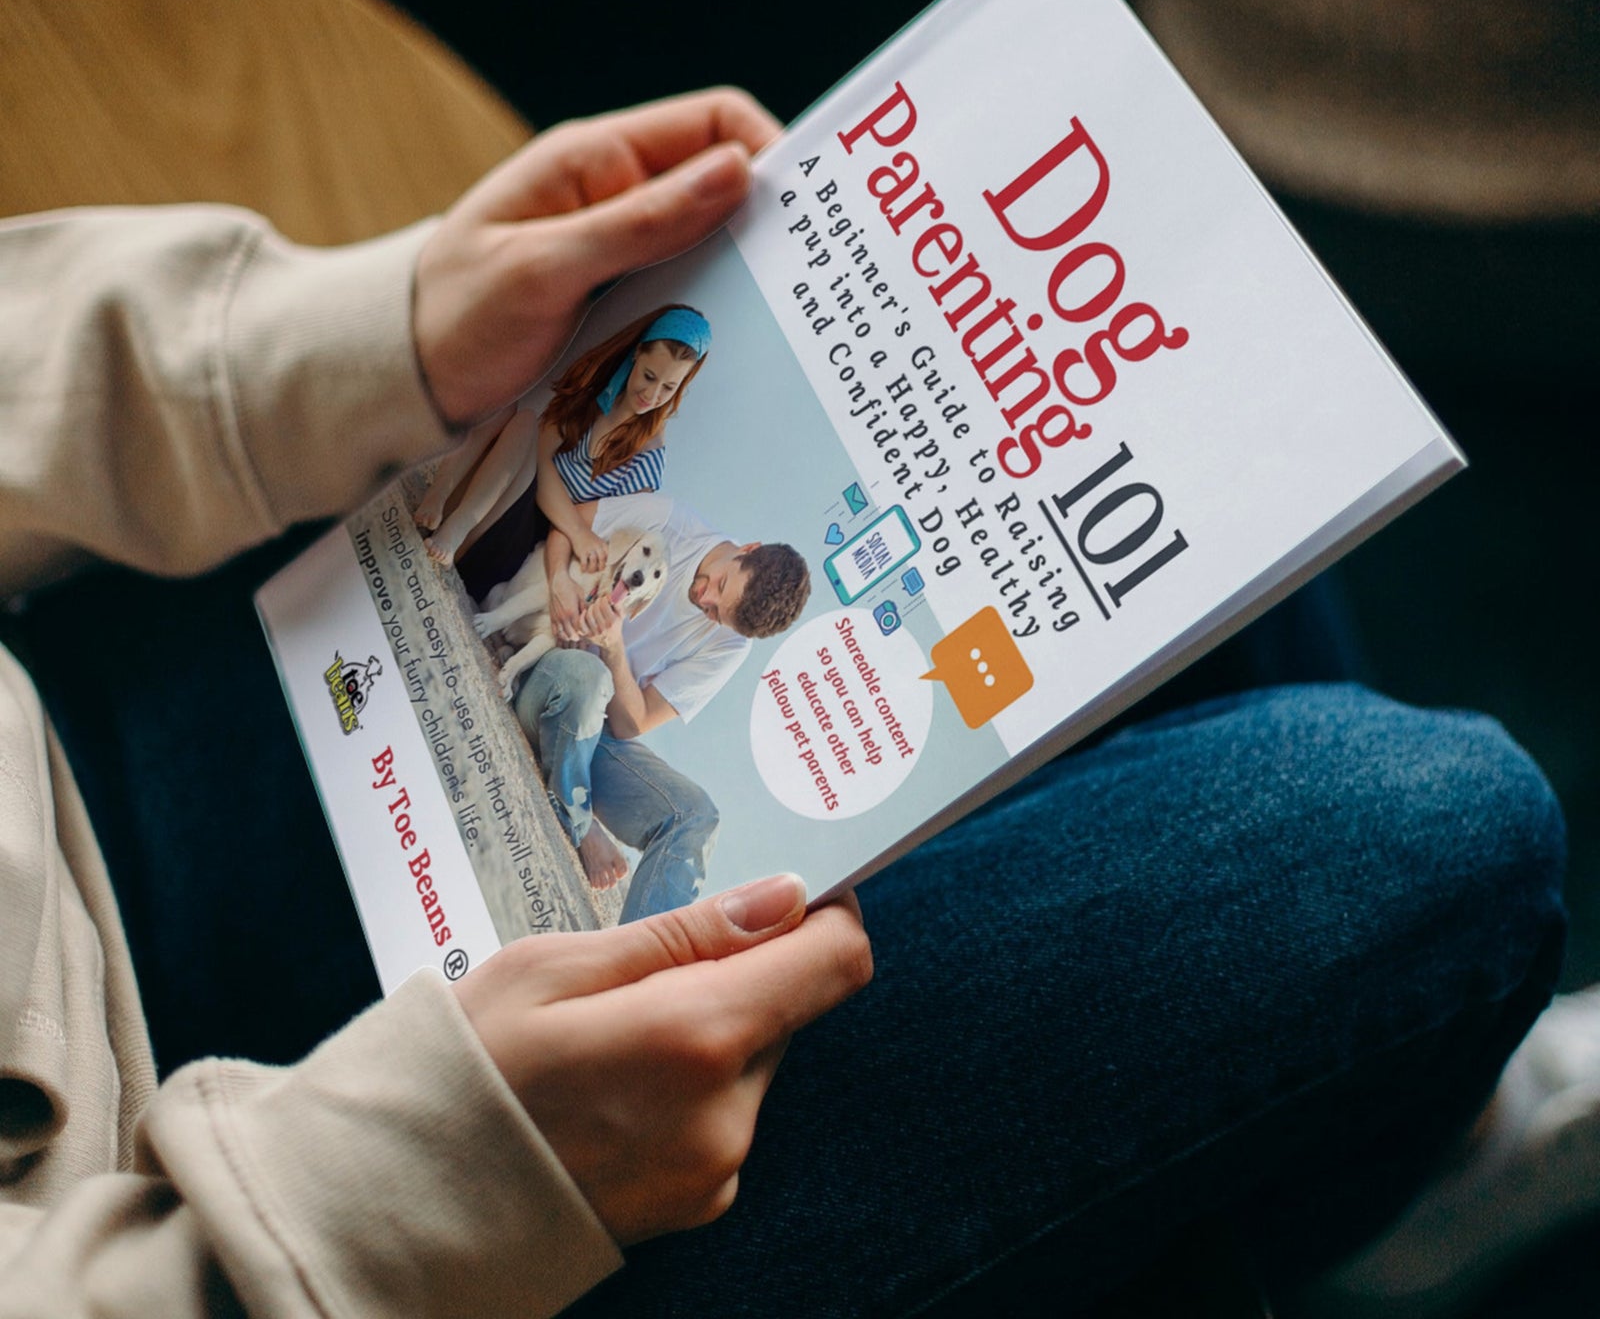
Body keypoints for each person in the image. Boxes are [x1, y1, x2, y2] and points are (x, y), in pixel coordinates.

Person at [0, 86, 1583, 1319]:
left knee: (1193, 471)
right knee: (1444, 835)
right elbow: (573, 609)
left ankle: (1362, 1121)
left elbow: (629, 674)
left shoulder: (693, 574)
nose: (694, 581)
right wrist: (378, 1211)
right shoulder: (655, 560)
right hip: (221, 1210)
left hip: (99, 670)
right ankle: (1372, 1177)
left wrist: (331, 337)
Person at [513, 488, 810, 913]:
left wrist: (614, 647)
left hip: (592, 725)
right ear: (748, 549)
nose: (705, 599)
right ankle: (579, 822)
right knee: (589, 675)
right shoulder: (669, 520)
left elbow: (631, 724)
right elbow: (569, 524)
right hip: (549, 668)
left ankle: (632, 967)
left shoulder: (731, 645)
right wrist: (561, 581)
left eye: (715, 613)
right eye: (720, 584)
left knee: (697, 819)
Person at [414, 303, 710, 573]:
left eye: (669, 387)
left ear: (681, 386)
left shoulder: (648, 460)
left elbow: (594, 528)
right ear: (637, 353)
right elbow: (540, 454)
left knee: (526, 424)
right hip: (494, 495)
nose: (653, 395)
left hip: (523, 543)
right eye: (649, 376)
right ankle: (440, 494)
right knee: (509, 411)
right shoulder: (596, 387)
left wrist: (579, 534)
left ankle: (459, 531)